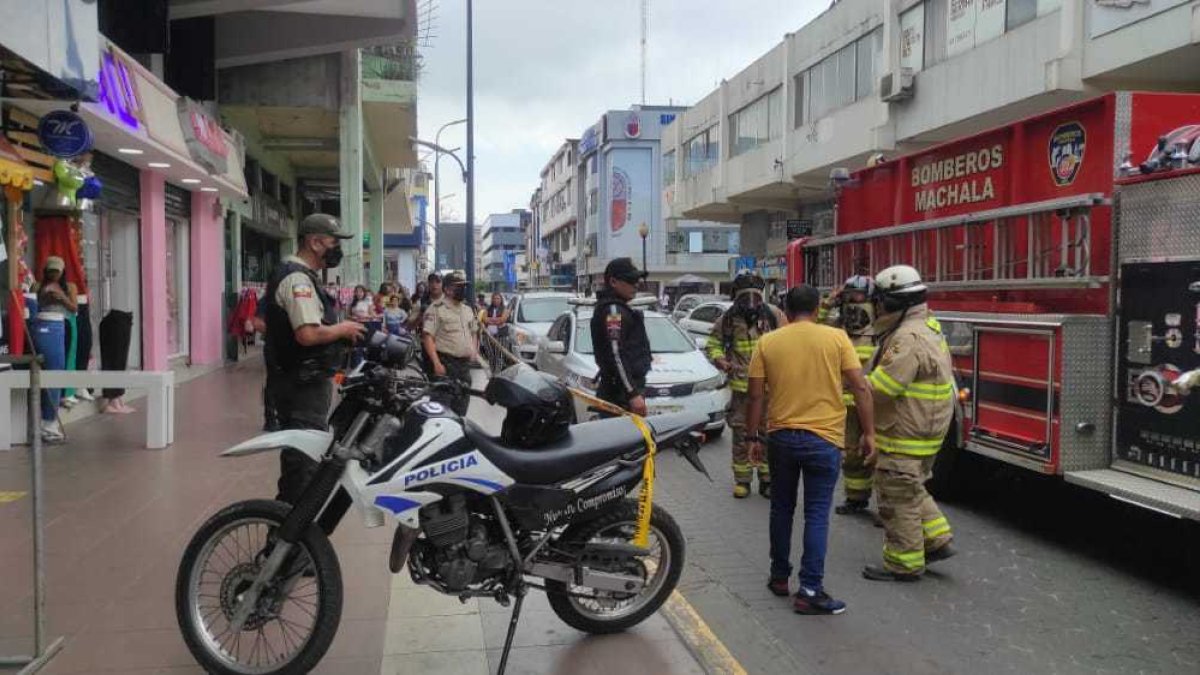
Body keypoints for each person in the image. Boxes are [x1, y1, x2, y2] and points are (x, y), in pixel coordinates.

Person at [745, 284, 874, 615]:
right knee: (816, 513)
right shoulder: (837, 338)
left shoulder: (767, 342)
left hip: (782, 438)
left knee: (781, 509)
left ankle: (778, 577)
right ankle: (810, 589)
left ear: (786, 311)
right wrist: (869, 432)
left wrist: (752, 438)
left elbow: (756, 396)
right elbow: (860, 385)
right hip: (824, 439)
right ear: (817, 309)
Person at [861, 265, 957, 582]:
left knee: (895, 496)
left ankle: (903, 563)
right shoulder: (928, 326)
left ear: (891, 303)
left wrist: (853, 388)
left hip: (905, 433)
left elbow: (884, 388)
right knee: (911, 487)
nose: (875, 308)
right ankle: (936, 539)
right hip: (924, 431)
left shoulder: (907, 337)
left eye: (878, 301)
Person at [262, 213, 366, 504]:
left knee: (304, 464)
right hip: (300, 387)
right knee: (302, 468)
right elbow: (307, 334)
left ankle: (292, 537)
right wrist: (342, 328)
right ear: (315, 242)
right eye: (334, 242)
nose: (337, 250)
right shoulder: (297, 279)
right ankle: (286, 541)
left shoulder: (300, 275)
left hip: (301, 382)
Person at [707, 271, 786, 499]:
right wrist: (720, 359)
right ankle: (742, 480)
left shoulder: (773, 315)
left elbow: (789, 341)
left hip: (770, 390)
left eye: (755, 296)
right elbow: (714, 342)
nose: (751, 302)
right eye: (745, 297)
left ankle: (767, 478)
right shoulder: (728, 320)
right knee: (742, 434)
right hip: (742, 390)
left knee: (768, 434)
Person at [819, 275, 880, 516]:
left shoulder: (881, 328)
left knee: (880, 453)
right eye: (849, 297)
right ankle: (856, 498)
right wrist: (828, 304)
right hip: (845, 403)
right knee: (852, 454)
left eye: (860, 296)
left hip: (875, 402)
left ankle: (888, 509)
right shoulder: (837, 327)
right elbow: (811, 329)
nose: (854, 302)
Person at [590, 258, 652, 416]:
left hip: (622, 392)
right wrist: (632, 393)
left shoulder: (619, 308)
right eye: (631, 280)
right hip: (619, 396)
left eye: (637, 279)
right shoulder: (613, 311)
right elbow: (616, 354)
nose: (636, 284)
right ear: (613, 282)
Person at [31, 256, 78, 441]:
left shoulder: (70, 286)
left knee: (58, 368)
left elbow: (74, 308)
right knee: (48, 370)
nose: (53, 275)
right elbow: (31, 307)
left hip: (61, 325)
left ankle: (54, 411)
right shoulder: (37, 286)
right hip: (42, 326)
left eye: (56, 271)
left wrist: (63, 298)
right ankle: (47, 419)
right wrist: (43, 297)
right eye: (50, 271)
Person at [421, 272, 479, 415]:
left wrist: (474, 350)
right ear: (447, 289)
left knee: (461, 408)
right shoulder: (436, 309)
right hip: (446, 364)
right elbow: (427, 337)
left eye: (463, 286)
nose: (462, 290)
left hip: (464, 367)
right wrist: (436, 363)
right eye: (458, 287)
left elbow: (474, 332)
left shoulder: (467, 309)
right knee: (442, 409)